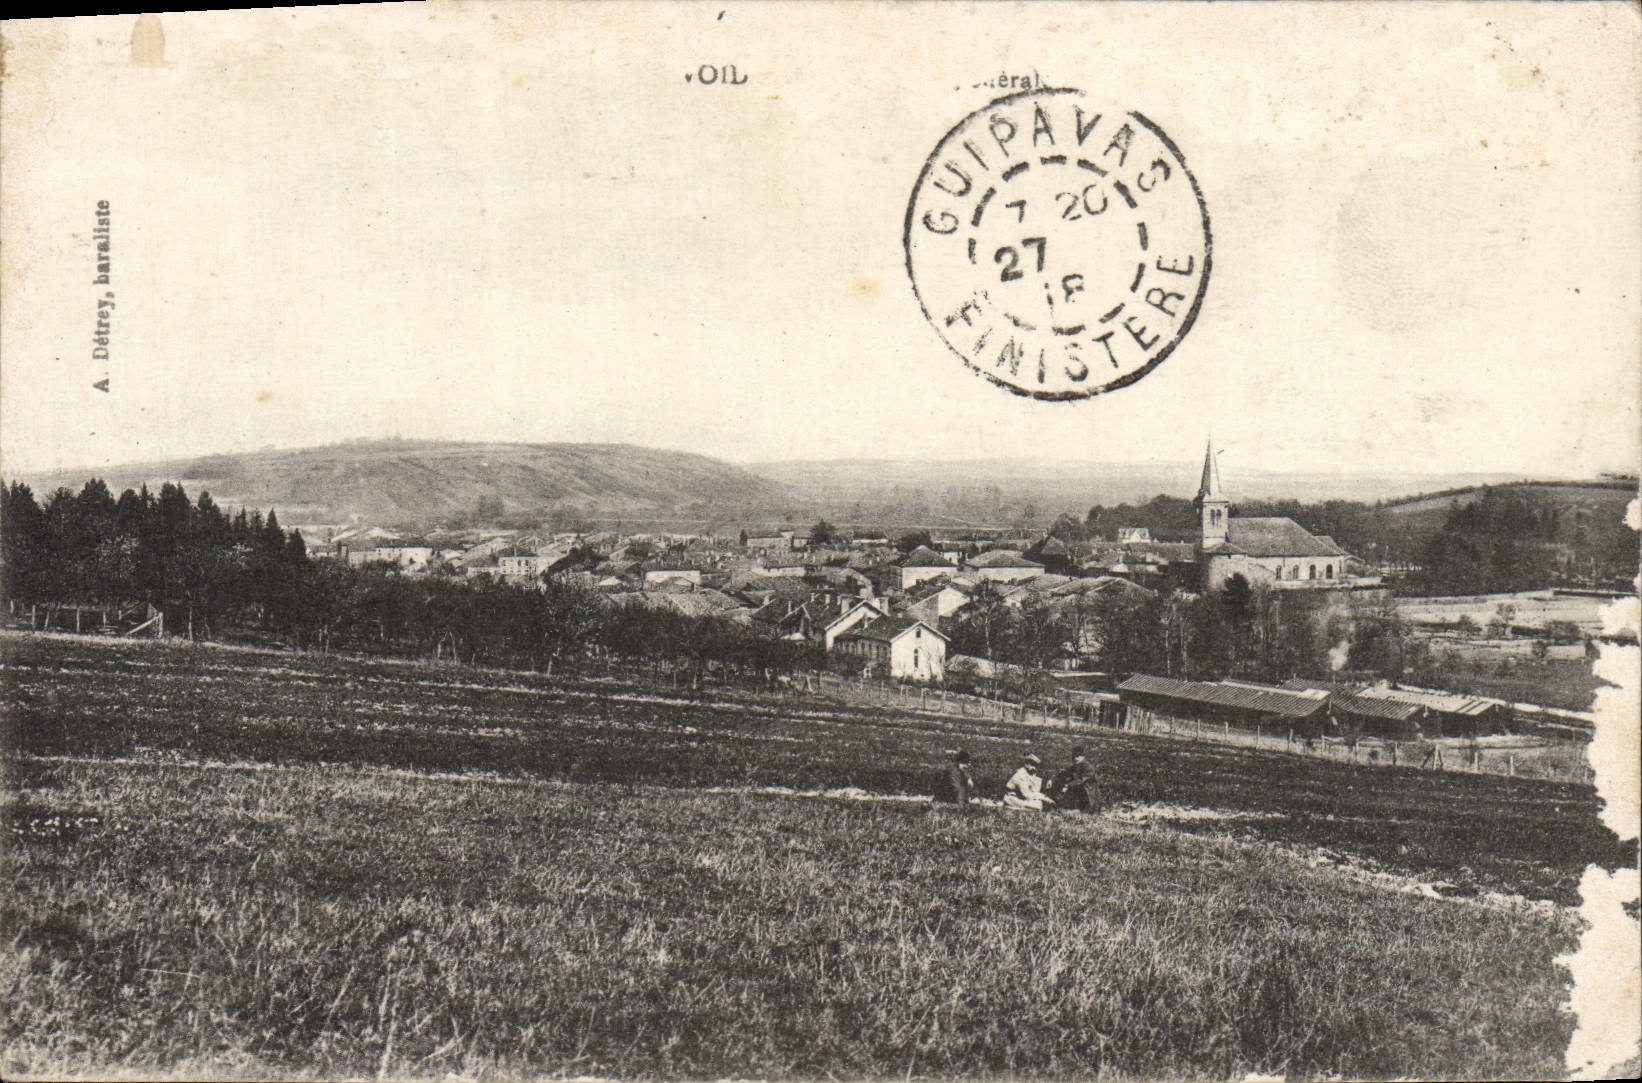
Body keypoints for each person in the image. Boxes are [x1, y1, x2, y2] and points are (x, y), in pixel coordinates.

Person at [1047, 745, 1097, 812]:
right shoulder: (1075, 767)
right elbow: (1062, 773)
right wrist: (1051, 780)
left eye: (1077, 756)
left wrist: (1068, 785)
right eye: (1073, 756)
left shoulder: (1088, 768)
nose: (1075, 758)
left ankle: (1079, 808)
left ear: (1083, 756)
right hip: (1077, 792)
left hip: (1087, 795)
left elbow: (1081, 781)